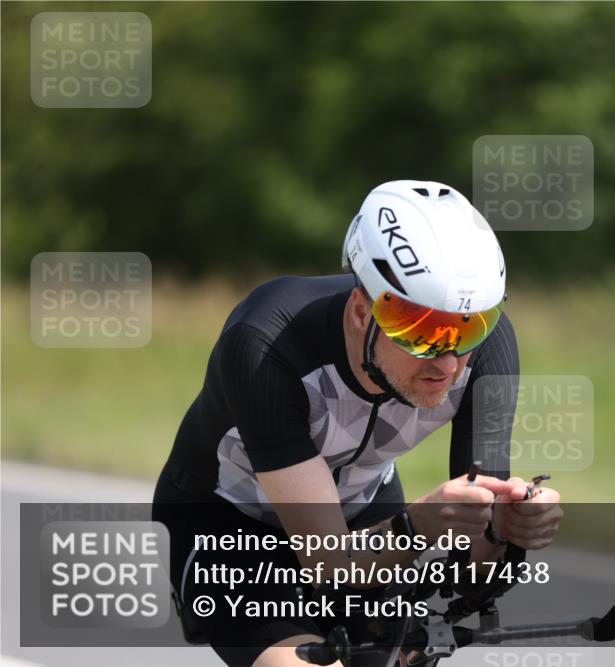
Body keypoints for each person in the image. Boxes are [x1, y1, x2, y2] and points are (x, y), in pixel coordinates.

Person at [152, 180, 563, 667]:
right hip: (230, 527)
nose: (449, 363)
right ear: (361, 312)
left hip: (364, 509)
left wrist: (505, 531)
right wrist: (417, 525)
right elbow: (327, 562)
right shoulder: (265, 345)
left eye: (469, 326)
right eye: (423, 333)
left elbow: (471, 574)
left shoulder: (489, 350)